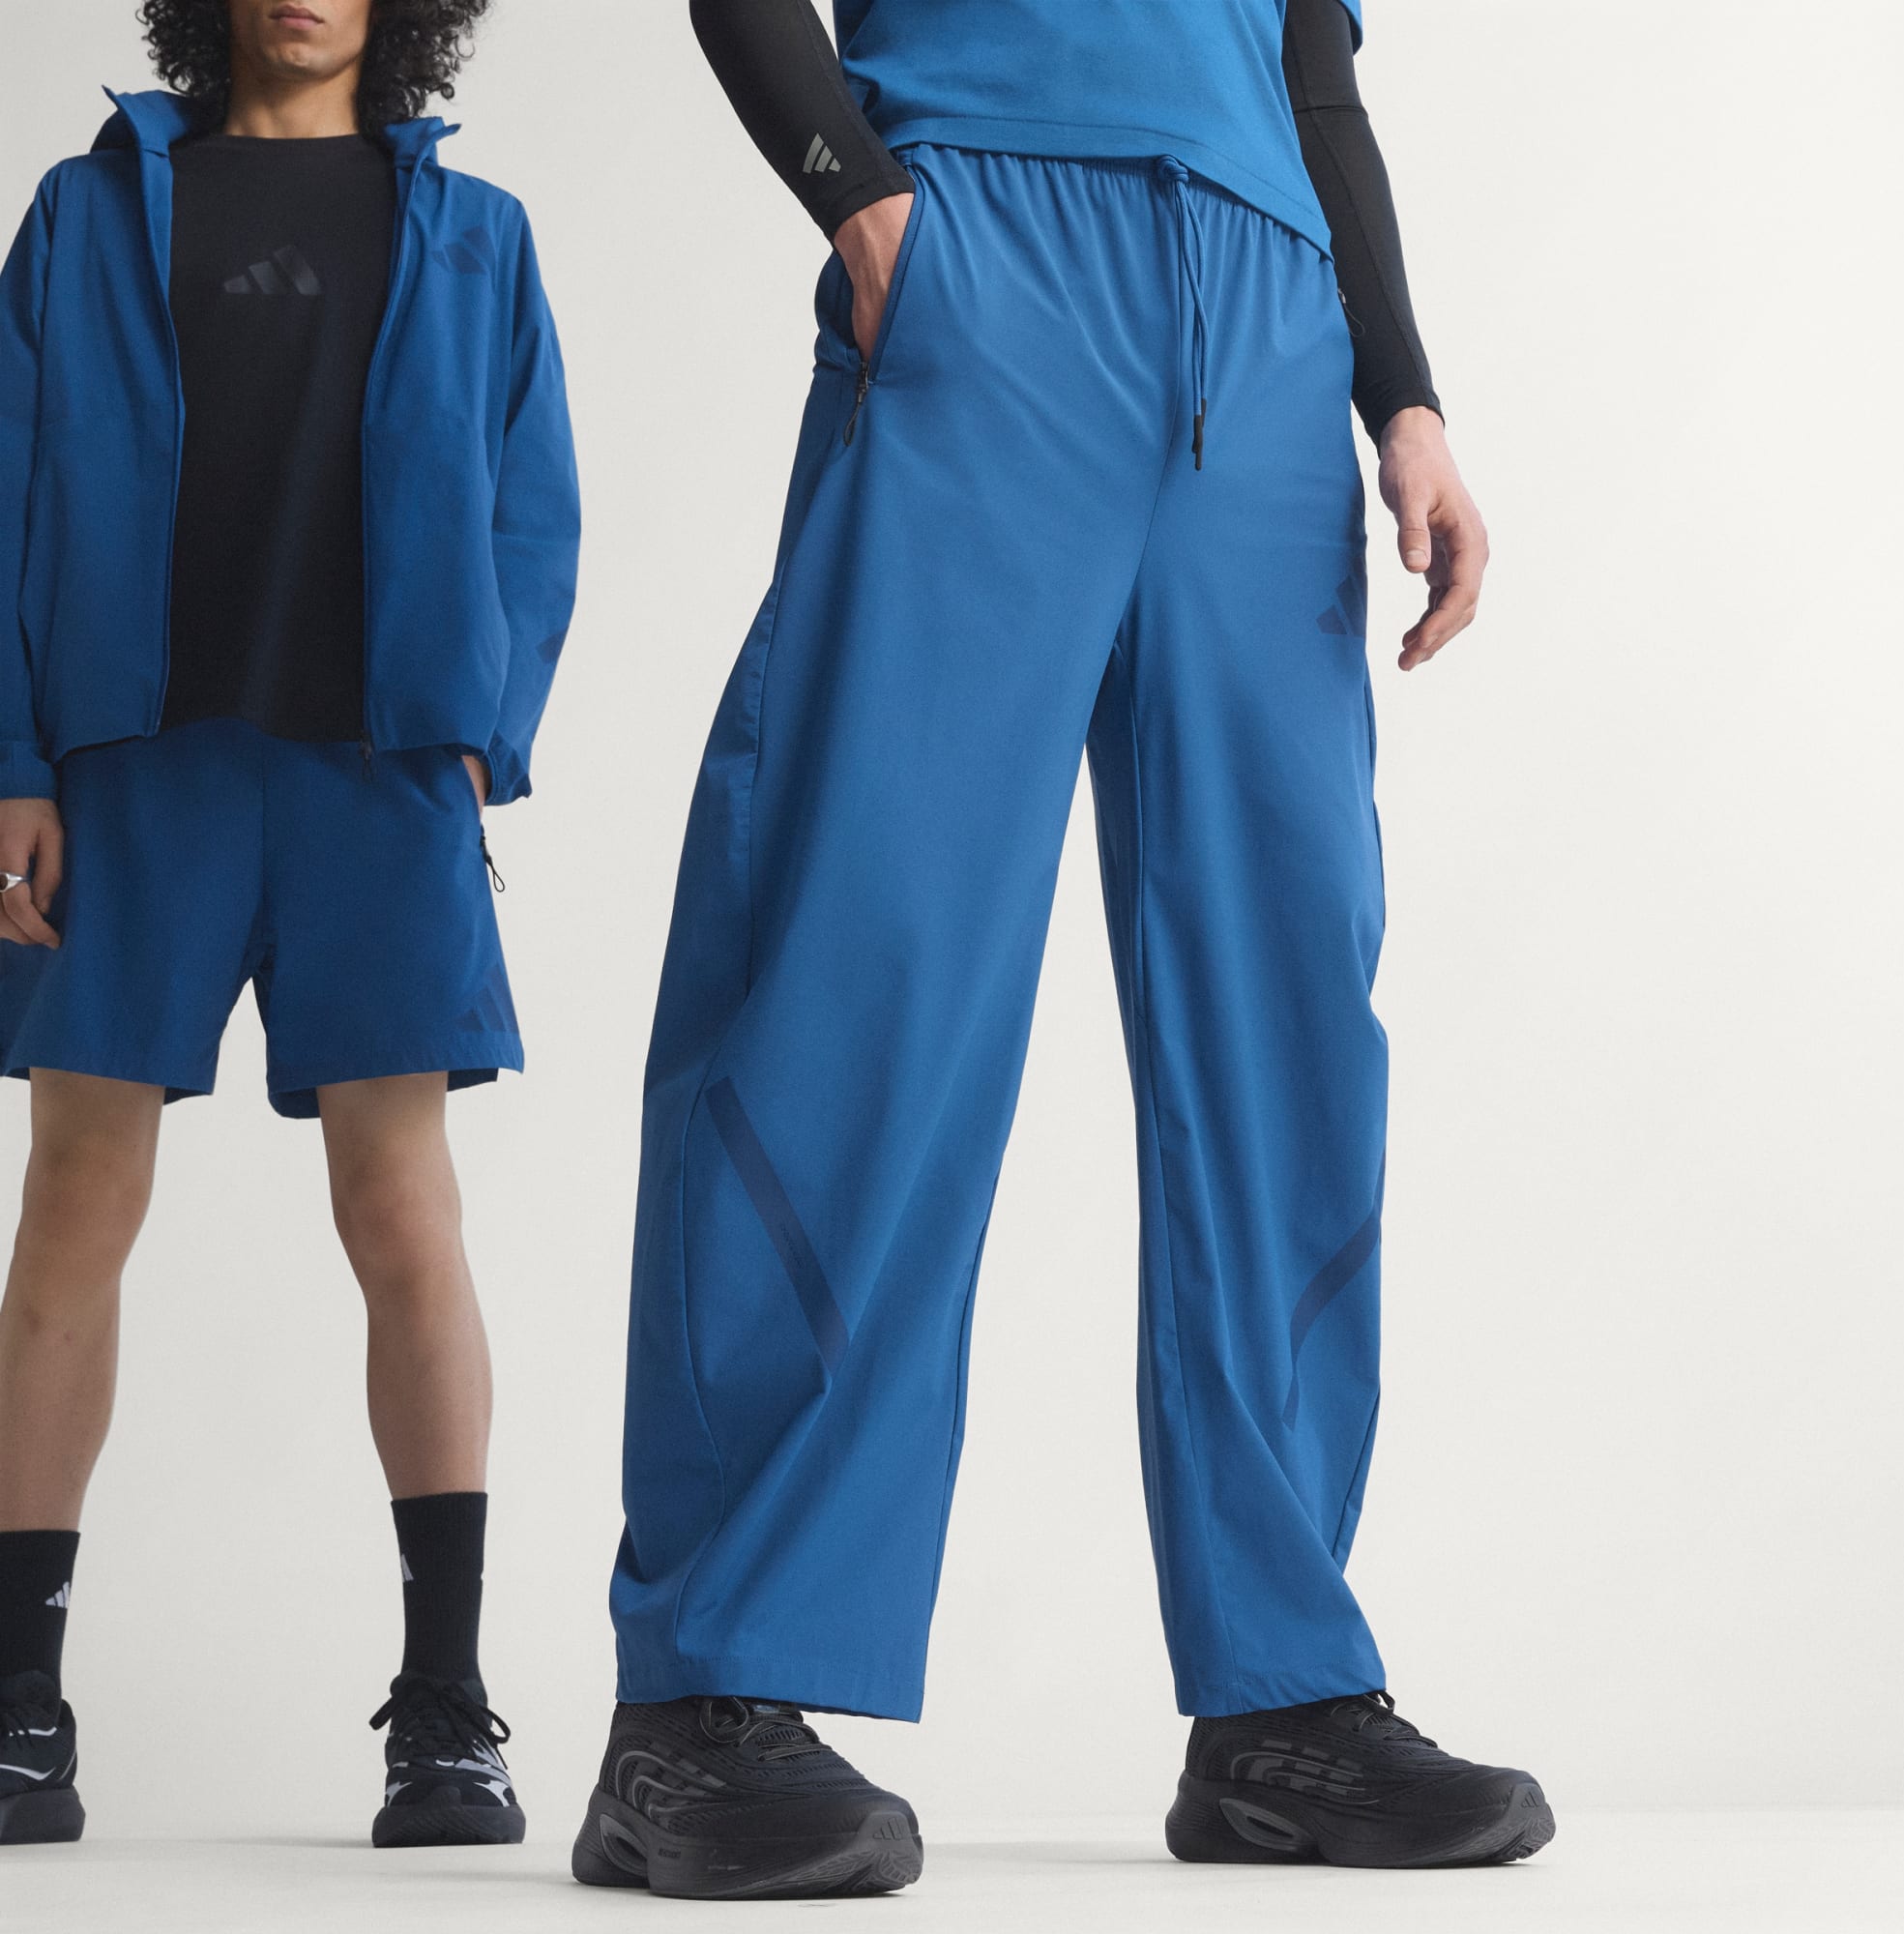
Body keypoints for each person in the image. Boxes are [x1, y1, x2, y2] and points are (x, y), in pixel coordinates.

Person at [571, 0, 1548, 1900]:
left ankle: (1282, 1700)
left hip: (1266, 324)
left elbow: (1312, 70)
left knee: (1283, 1023)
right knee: (866, 966)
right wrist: (862, 205)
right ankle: (702, 1700)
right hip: (985, 259)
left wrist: (1403, 395)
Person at [0, 0, 576, 1850]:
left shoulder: (474, 231)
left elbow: (534, 504)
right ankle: (16, 1704)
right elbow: (1, 485)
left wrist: (482, 739)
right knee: (73, 1205)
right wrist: (12, 763)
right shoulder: (86, 209)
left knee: (403, 1215)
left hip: (379, 775)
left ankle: (447, 1712)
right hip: (132, 770)